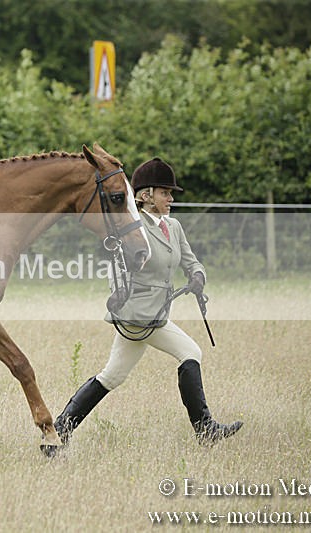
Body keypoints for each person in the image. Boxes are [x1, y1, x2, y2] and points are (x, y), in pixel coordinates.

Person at [55, 157, 242, 447]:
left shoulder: (174, 227)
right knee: (190, 352)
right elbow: (117, 262)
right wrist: (117, 293)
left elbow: (191, 261)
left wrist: (198, 277)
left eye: (171, 194)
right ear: (145, 196)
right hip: (136, 311)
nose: (170, 199)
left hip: (157, 312)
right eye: (165, 193)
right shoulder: (132, 225)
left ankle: (60, 429)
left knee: (112, 375)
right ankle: (205, 429)